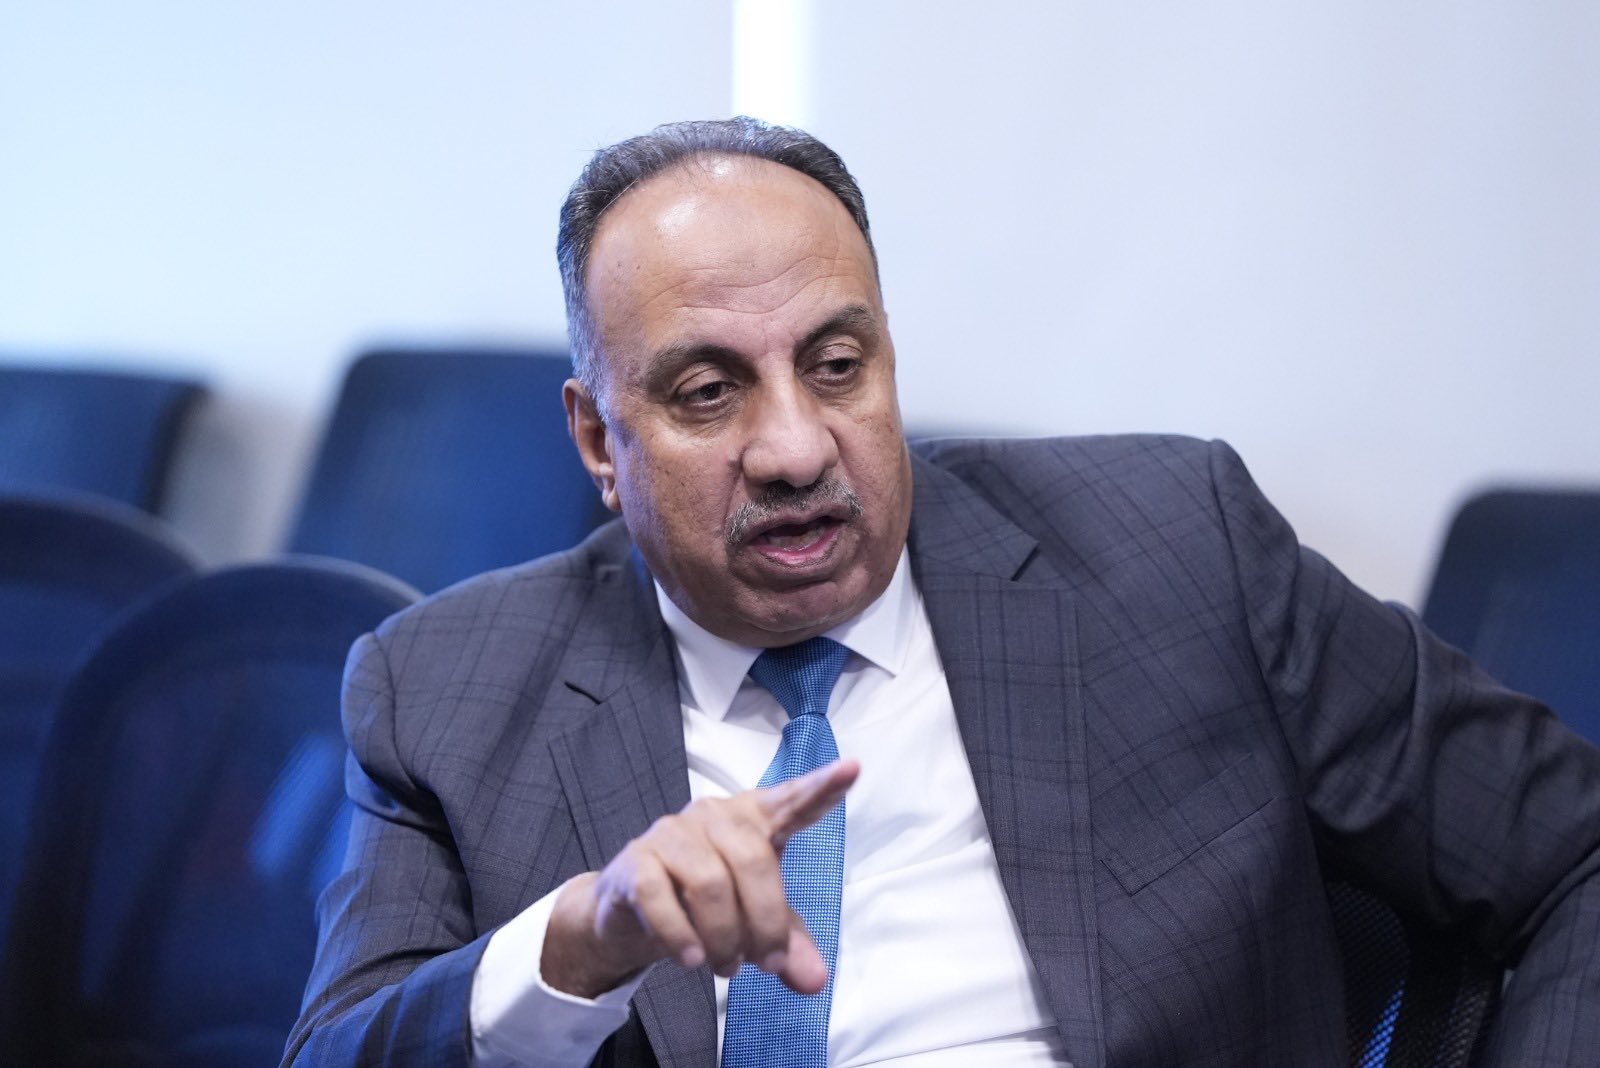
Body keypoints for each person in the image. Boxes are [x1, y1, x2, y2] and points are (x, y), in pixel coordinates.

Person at [285, 117, 1600, 1067]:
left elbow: (1571, 854)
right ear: (596, 441)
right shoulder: (443, 690)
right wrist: (579, 943)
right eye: (709, 391)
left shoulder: (1176, 551)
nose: (795, 448)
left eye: (836, 366)